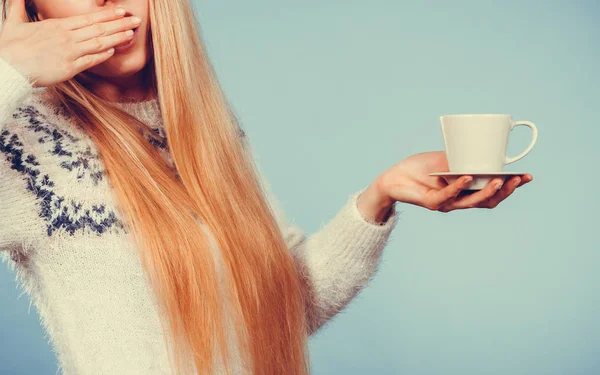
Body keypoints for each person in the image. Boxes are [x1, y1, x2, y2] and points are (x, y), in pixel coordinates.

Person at [0, 1, 533, 374]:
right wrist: (10, 68)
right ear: (32, 13)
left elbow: (286, 310)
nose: (106, 1)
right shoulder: (19, 139)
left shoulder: (207, 131)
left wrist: (379, 197)